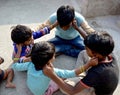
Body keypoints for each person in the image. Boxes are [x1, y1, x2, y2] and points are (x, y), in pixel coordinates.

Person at [43, 32, 119, 95]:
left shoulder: (96, 73)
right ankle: (79, 74)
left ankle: (79, 77)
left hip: (95, 91)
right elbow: (90, 42)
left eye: (87, 48)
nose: (85, 48)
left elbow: (72, 91)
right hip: (100, 79)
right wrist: (77, 28)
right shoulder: (107, 52)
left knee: (65, 87)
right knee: (83, 53)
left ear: (95, 54)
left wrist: (52, 75)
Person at [12, 41, 98, 95]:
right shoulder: (50, 71)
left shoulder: (30, 63)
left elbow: (15, 66)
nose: (55, 56)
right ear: (49, 60)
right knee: (62, 79)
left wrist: (18, 51)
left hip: (30, 86)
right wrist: (88, 65)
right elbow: (72, 73)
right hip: (43, 93)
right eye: (54, 55)